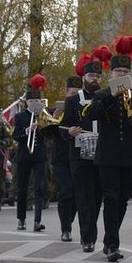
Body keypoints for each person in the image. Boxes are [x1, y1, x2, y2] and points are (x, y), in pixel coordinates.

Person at [87, 36, 132, 262]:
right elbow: (93, 115)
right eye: (117, 72)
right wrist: (112, 96)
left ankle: (112, 237)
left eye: (124, 71)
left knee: (123, 199)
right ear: (111, 74)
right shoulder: (101, 95)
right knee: (110, 198)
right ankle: (112, 243)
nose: (121, 75)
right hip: (108, 155)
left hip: (129, 154)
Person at [64, 54, 104, 252]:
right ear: (83, 79)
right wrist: (70, 131)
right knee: (84, 196)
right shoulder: (72, 101)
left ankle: (91, 230)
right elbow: (63, 126)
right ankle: (88, 237)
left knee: (97, 196)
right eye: (90, 75)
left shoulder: (106, 97)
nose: (94, 79)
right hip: (79, 154)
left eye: (97, 76)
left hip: (102, 154)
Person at [12, 75, 50, 232]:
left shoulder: (44, 115)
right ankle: (21, 219)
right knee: (23, 188)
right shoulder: (20, 116)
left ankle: (37, 220)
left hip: (39, 156)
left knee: (39, 188)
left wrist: (44, 126)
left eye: (37, 101)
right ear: (27, 102)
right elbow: (15, 136)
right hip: (24, 156)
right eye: (32, 101)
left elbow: (49, 134)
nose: (35, 103)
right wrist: (28, 130)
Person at [51, 77, 80, 241]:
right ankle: (65, 228)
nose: (74, 96)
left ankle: (68, 220)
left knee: (77, 195)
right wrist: (55, 120)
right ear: (66, 94)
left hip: (77, 155)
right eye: (72, 93)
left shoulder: (81, 108)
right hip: (61, 157)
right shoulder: (56, 112)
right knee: (65, 192)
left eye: (77, 93)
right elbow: (47, 134)